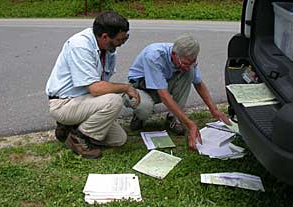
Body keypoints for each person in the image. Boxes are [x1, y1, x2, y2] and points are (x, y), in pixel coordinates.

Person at [45, 11, 140, 159]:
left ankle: (71, 128)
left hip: (83, 101)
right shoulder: (80, 45)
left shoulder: (108, 49)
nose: (122, 43)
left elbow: (103, 85)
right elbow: (96, 89)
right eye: (121, 39)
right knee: (114, 101)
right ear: (104, 37)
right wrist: (126, 87)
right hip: (63, 103)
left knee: (119, 139)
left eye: (125, 38)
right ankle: (78, 139)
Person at [127, 35, 230, 150]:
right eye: (185, 63)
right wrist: (190, 124)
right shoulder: (153, 56)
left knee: (189, 73)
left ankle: (173, 118)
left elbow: (198, 83)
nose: (187, 66)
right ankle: (139, 116)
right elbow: (164, 96)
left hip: (162, 85)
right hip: (139, 87)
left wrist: (214, 110)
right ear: (174, 55)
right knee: (145, 109)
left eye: (192, 62)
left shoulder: (188, 61)